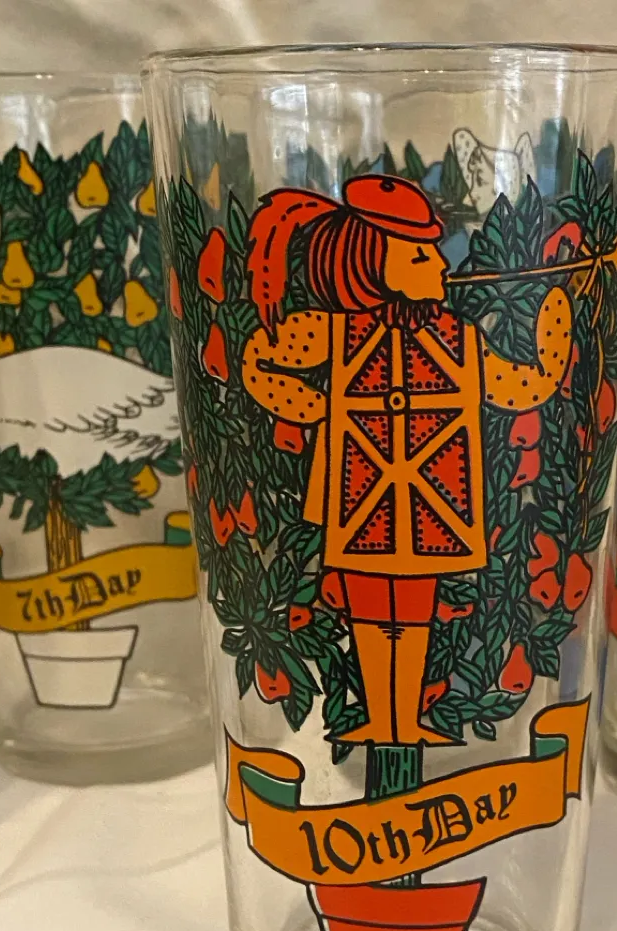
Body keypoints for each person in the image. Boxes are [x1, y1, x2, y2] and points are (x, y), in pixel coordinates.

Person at [241, 174, 572, 744]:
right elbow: (257, 360)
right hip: (363, 496)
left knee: (413, 610)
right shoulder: (334, 332)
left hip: (429, 502)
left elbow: (520, 387)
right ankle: (383, 720)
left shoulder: (456, 336)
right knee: (371, 609)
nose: (440, 265)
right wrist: (314, 407)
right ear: (372, 266)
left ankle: (404, 721)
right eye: (421, 255)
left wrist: (554, 332)